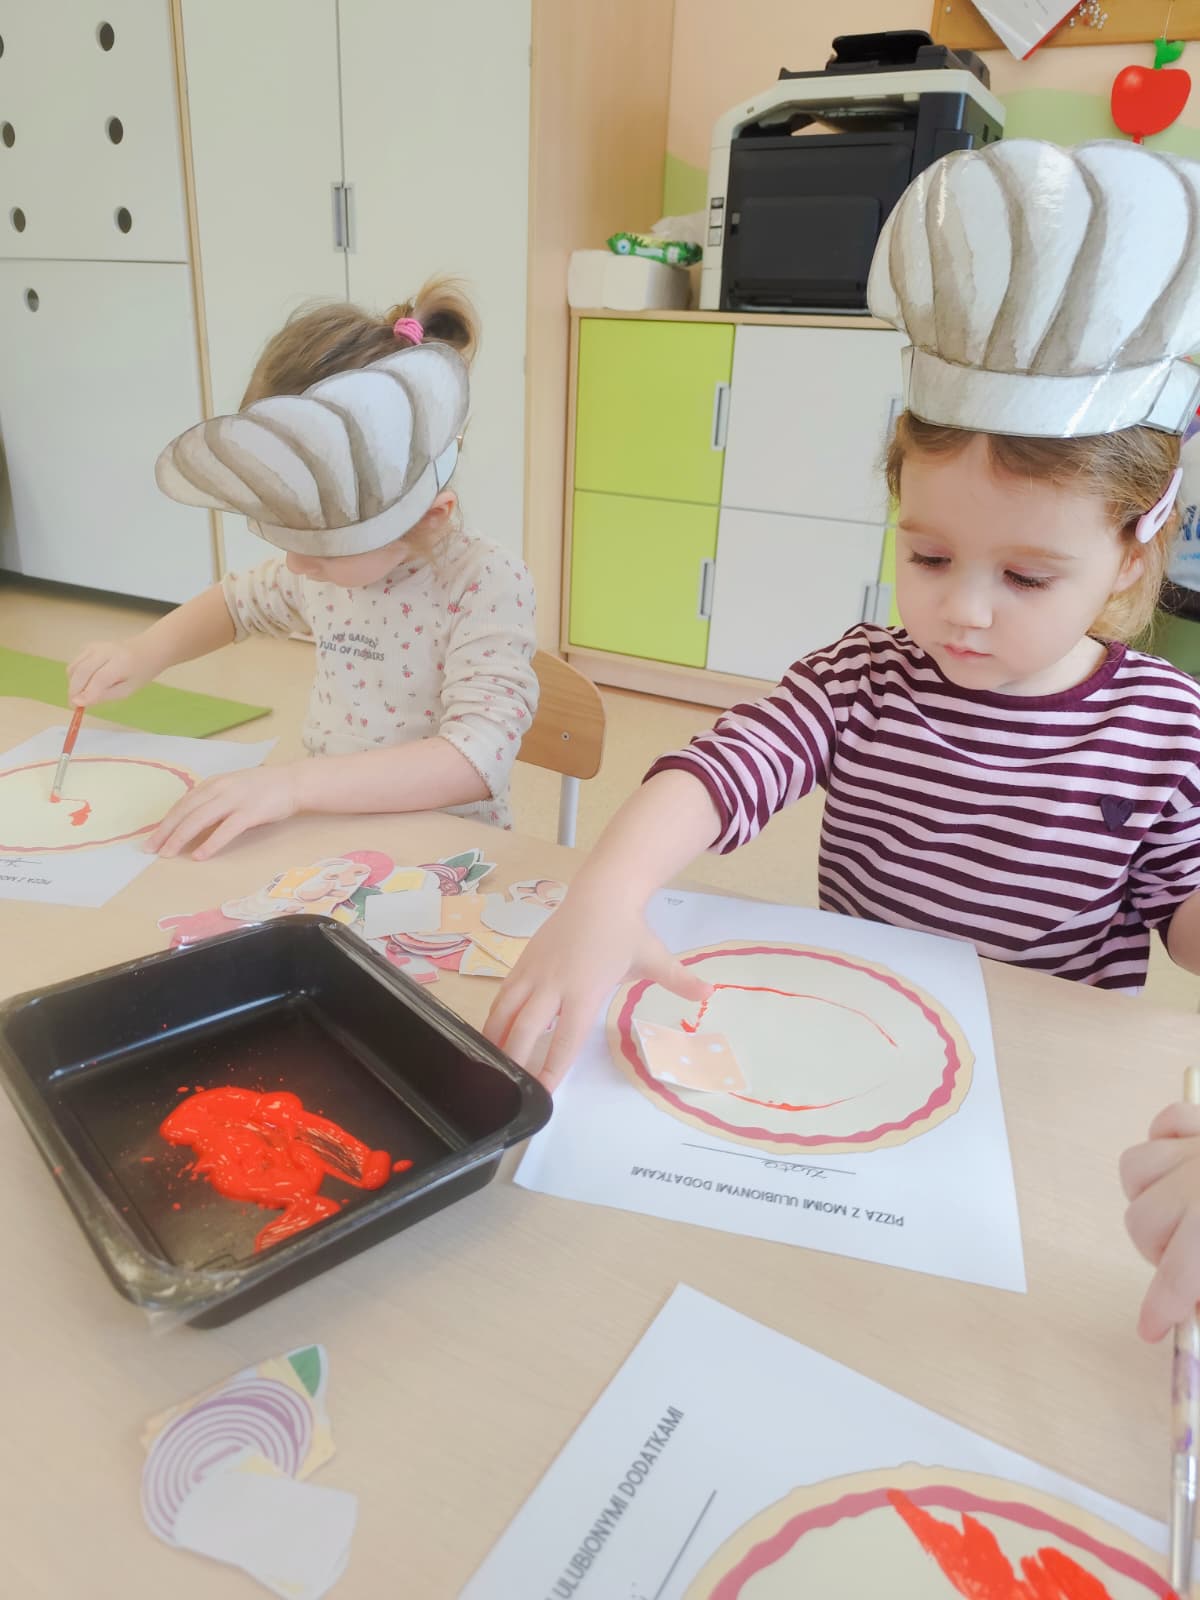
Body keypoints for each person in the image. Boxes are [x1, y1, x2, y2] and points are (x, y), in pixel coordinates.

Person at [485, 139, 1200, 1093]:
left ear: (1131, 556)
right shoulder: (863, 677)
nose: (964, 610)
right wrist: (607, 893)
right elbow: (720, 771)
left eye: (1028, 578)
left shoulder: (1164, 728)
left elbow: (1183, 924)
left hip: (1034, 1081)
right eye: (929, 557)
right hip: (859, 1038)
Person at [68, 279, 537, 859]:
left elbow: (475, 759)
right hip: (329, 834)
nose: (294, 564)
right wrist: (142, 653)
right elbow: (236, 604)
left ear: (431, 518)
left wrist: (293, 786)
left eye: (324, 547)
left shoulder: (487, 584)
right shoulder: (323, 574)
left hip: (442, 854)